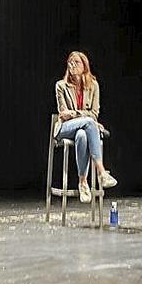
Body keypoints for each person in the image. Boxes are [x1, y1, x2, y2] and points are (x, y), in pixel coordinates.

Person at [53, 51, 117, 203]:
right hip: (64, 128)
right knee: (88, 123)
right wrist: (81, 115)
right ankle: (101, 172)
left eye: (77, 62)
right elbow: (63, 114)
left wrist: (75, 114)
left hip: (83, 129)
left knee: (82, 134)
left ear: (84, 66)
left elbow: (94, 113)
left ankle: (83, 182)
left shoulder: (93, 86)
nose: (73, 65)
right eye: (71, 62)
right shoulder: (61, 86)